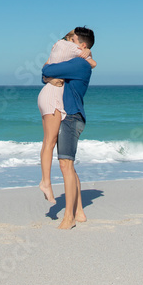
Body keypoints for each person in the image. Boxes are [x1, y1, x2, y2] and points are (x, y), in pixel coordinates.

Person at [41, 26, 95, 230]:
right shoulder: (78, 62)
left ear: (81, 46)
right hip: (70, 116)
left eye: (71, 42)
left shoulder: (78, 64)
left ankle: (69, 217)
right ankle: (79, 211)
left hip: (71, 117)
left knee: (65, 165)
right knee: (69, 166)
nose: (67, 45)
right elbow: (48, 75)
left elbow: (47, 70)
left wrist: (49, 75)